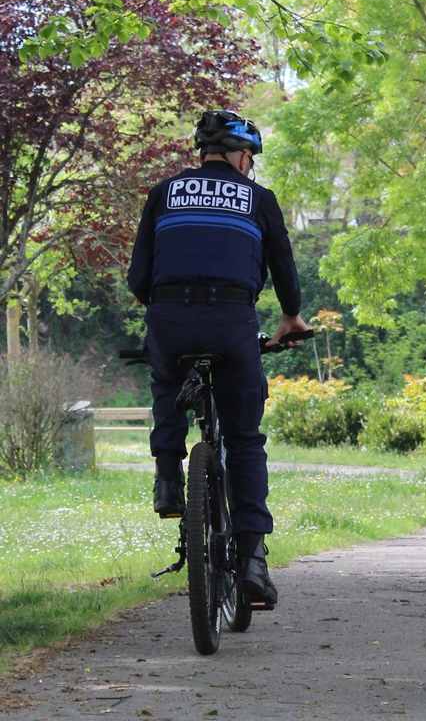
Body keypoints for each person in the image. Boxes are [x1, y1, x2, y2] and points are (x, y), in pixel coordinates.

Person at [127, 110, 309, 607]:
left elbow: (137, 277)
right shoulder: (259, 198)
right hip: (232, 321)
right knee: (245, 439)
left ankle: (169, 477)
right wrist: (290, 317)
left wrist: (165, 310)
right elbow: (285, 271)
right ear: (243, 156)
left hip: (169, 317)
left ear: (202, 152)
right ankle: (251, 558)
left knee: (165, 378)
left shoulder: (164, 192)